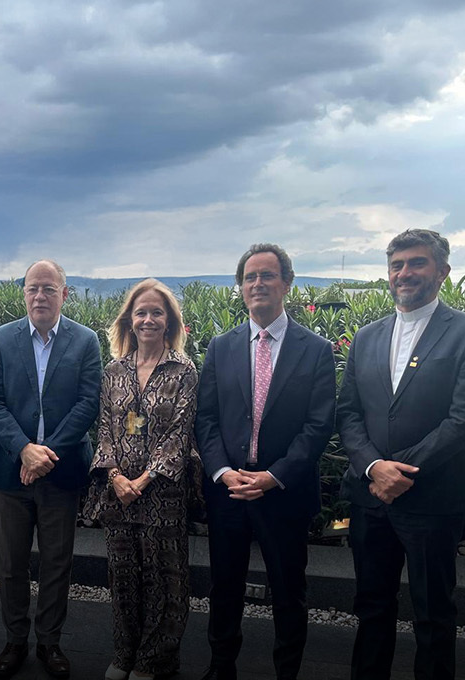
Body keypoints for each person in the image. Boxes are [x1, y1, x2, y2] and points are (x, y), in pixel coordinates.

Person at [338, 229, 465, 680]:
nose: (404, 273)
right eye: (397, 265)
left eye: (416, 263)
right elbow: (348, 413)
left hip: (433, 499)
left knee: (433, 614)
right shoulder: (366, 336)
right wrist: (373, 467)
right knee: (371, 607)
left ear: (442, 271)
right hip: (371, 497)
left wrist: (401, 470)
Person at [195, 245, 335, 680]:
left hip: (284, 494)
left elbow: (318, 425)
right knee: (224, 589)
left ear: (287, 284)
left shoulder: (315, 350)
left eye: (268, 276)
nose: (258, 284)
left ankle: (286, 672)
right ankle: (222, 668)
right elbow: (206, 418)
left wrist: (274, 477)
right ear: (240, 288)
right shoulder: (221, 347)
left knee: (289, 591)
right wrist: (221, 471)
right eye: (250, 277)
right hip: (229, 492)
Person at [0, 259, 101, 679]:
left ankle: (50, 642)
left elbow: (88, 404)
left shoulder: (85, 341)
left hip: (61, 472)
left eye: (49, 288)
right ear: (23, 292)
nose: (40, 296)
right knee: (10, 564)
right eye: (33, 288)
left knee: (56, 563)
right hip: (11, 475)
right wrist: (23, 450)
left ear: (65, 294)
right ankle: (15, 641)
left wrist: (44, 454)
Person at [83, 278, 200, 680]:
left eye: (157, 312)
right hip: (118, 494)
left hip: (162, 494)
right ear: (129, 321)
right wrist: (115, 476)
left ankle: (155, 660)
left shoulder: (183, 370)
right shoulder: (114, 370)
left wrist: (144, 480)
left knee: (164, 580)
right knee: (124, 577)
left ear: (169, 321)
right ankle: (124, 653)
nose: (148, 319)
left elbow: (180, 434)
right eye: (141, 312)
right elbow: (105, 430)